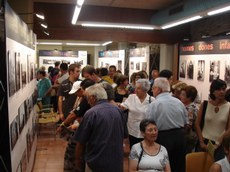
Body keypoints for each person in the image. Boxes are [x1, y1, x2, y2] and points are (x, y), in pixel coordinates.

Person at [74, 84, 128, 172]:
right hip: (116, 161)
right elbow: (124, 135)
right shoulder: (118, 111)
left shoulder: (91, 113)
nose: (87, 102)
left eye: (88, 98)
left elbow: (81, 141)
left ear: (93, 97)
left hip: (96, 161)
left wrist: (77, 161)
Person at [145, 77, 188, 172]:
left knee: (162, 166)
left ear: (159, 89)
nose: (152, 90)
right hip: (180, 137)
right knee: (179, 166)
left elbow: (149, 124)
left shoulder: (154, 104)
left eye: (153, 88)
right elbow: (186, 123)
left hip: (163, 137)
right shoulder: (179, 102)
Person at [195, 79, 230, 161]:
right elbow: (197, 124)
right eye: (218, 89)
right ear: (213, 91)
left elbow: (228, 129)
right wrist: (201, 142)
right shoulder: (205, 104)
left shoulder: (228, 106)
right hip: (203, 141)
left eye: (223, 89)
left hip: (220, 144)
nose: (222, 92)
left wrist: (217, 144)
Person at [119, 79, 155, 149]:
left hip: (146, 131)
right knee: (134, 150)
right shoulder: (131, 97)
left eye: (138, 88)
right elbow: (124, 106)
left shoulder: (152, 100)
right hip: (133, 130)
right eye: (136, 88)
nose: (135, 90)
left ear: (145, 90)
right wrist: (120, 106)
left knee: (145, 150)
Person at [180, 85, 199, 153]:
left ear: (189, 97)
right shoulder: (186, 106)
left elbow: (188, 125)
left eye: (183, 95)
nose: (180, 96)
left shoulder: (191, 108)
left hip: (188, 137)